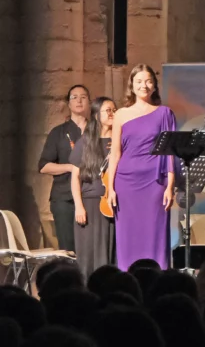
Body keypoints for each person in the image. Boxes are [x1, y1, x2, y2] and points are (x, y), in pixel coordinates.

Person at [106, 64, 177, 270]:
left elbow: (171, 153)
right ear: (132, 85)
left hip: (155, 182)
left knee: (155, 233)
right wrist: (110, 188)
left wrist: (170, 186)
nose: (143, 86)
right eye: (138, 81)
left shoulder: (164, 113)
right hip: (125, 184)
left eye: (148, 81)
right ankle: (128, 279)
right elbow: (115, 154)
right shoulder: (121, 114)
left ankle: (157, 279)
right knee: (128, 236)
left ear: (154, 85)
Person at [38, 84, 92, 251]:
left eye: (83, 97)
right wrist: (71, 167)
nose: (79, 101)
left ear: (89, 102)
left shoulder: (96, 130)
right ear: (68, 104)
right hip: (64, 198)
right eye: (74, 97)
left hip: (92, 196)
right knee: (68, 248)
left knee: (91, 247)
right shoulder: (58, 132)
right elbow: (44, 166)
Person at [69, 97, 118, 276]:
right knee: (89, 257)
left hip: (115, 204)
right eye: (108, 110)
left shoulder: (120, 141)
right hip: (90, 204)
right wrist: (79, 206)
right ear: (97, 115)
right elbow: (75, 177)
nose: (112, 113)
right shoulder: (86, 142)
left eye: (114, 110)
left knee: (113, 255)